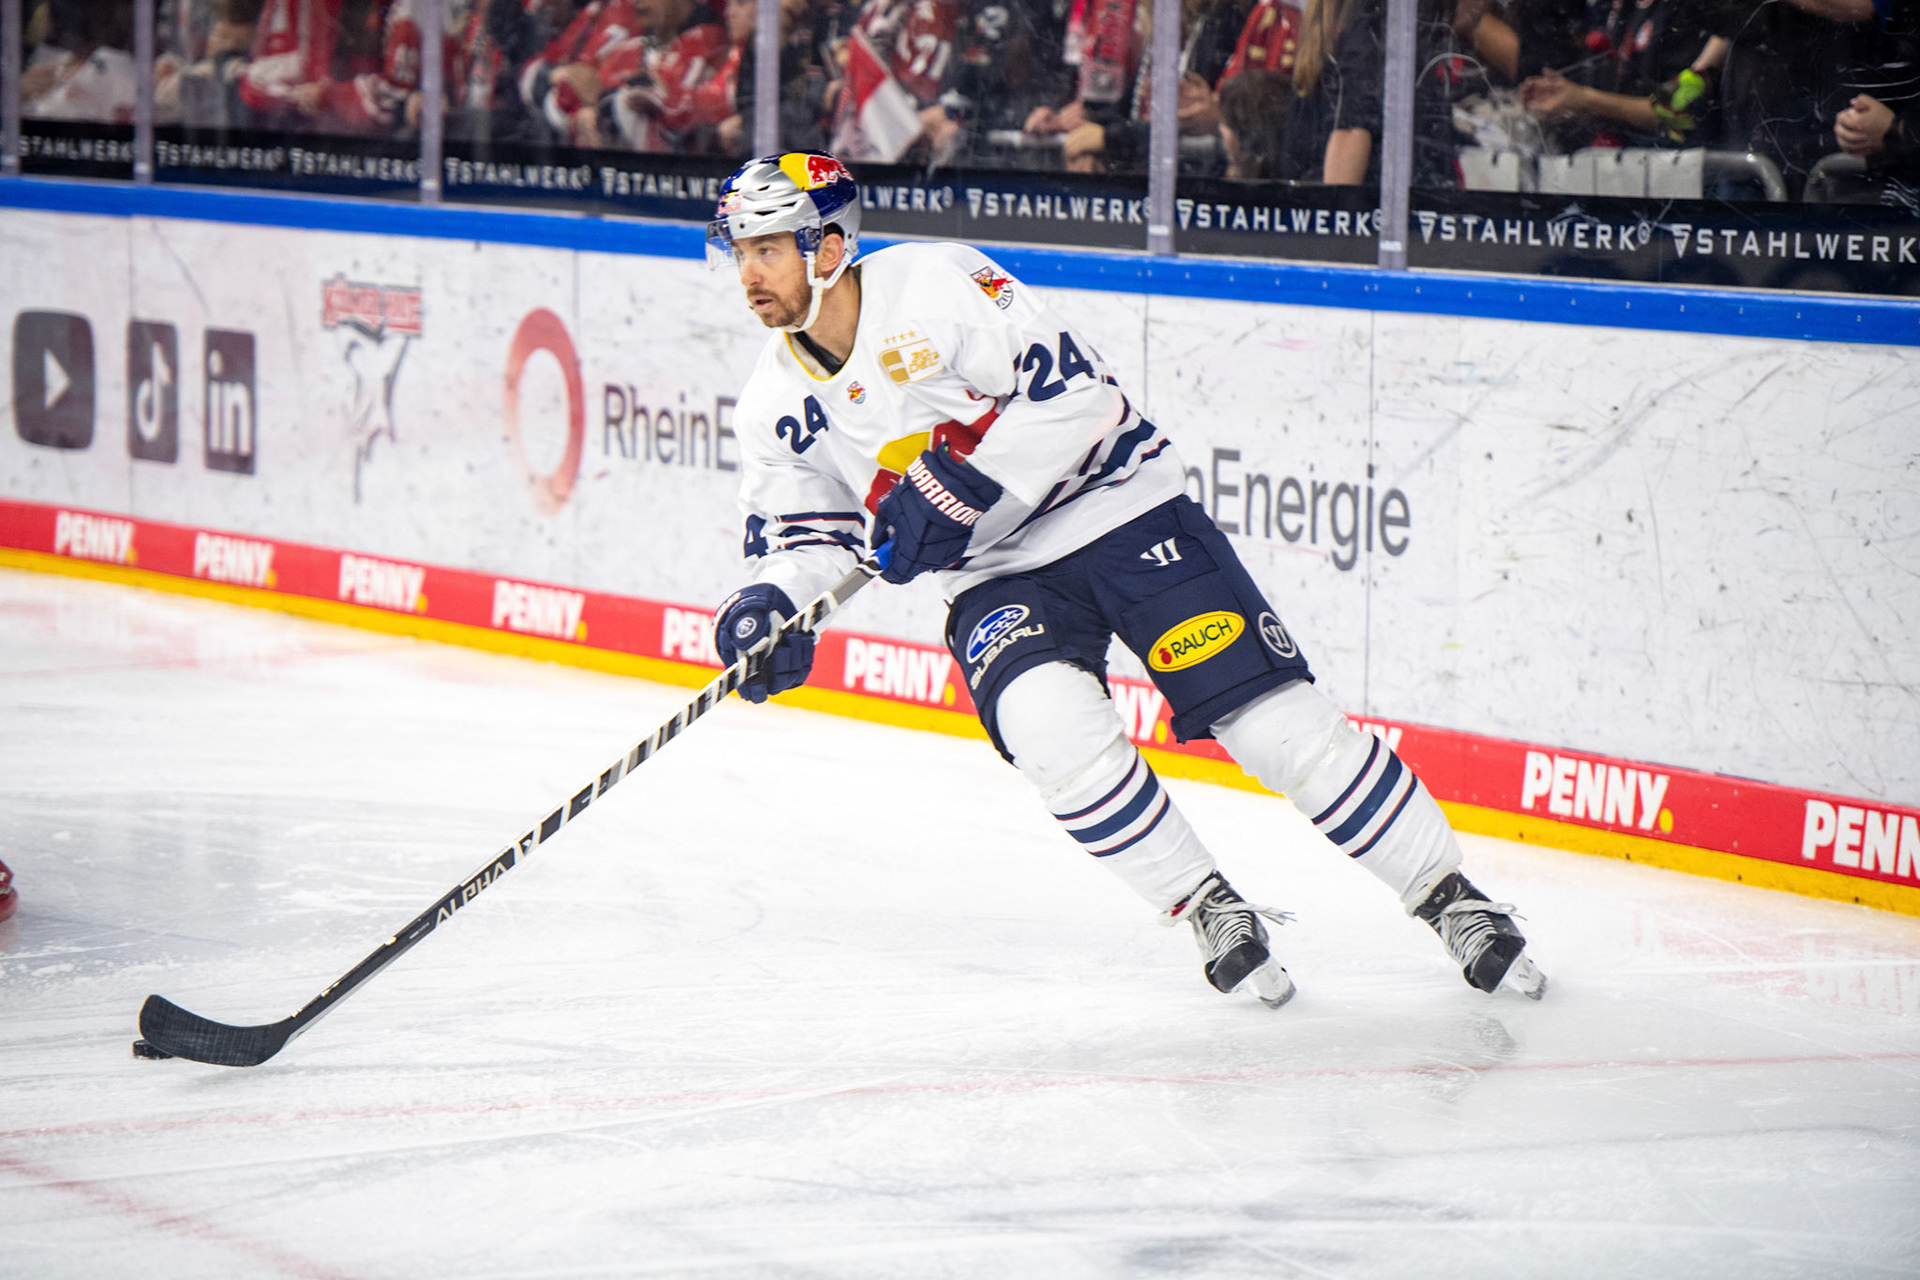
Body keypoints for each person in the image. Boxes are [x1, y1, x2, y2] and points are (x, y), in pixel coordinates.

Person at [703, 151, 1548, 1007]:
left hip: (1116, 510)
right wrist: (773, 603)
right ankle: (1210, 906)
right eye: (736, 251)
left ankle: (1451, 899)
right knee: (1050, 734)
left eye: (766, 249)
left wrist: (964, 483)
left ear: (831, 247)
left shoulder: (938, 282)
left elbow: (1082, 400)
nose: (748, 275)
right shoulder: (770, 403)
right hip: (997, 579)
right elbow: (807, 535)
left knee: (1272, 727)